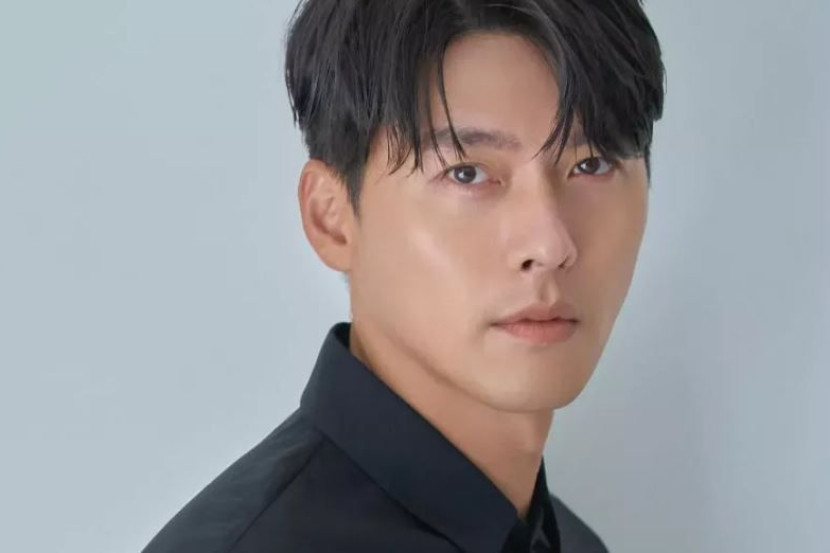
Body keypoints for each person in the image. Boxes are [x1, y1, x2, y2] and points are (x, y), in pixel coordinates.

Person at [141, 0, 665, 551]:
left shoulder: (572, 542)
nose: (551, 244)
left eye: (592, 164)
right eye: (467, 173)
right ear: (332, 219)